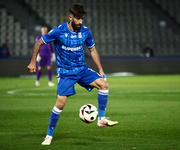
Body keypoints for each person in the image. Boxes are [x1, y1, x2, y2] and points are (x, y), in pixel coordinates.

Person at [27, 3, 118, 145]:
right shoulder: (59, 31)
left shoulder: (86, 31)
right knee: (61, 103)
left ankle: (101, 118)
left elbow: (92, 50)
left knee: (104, 85)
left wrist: (100, 69)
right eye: (78, 19)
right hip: (65, 72)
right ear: (71, 18)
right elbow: (39, 42)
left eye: (82, 19)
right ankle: (49, 136)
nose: (80, 22)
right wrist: (33, 62)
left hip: (82, 69)